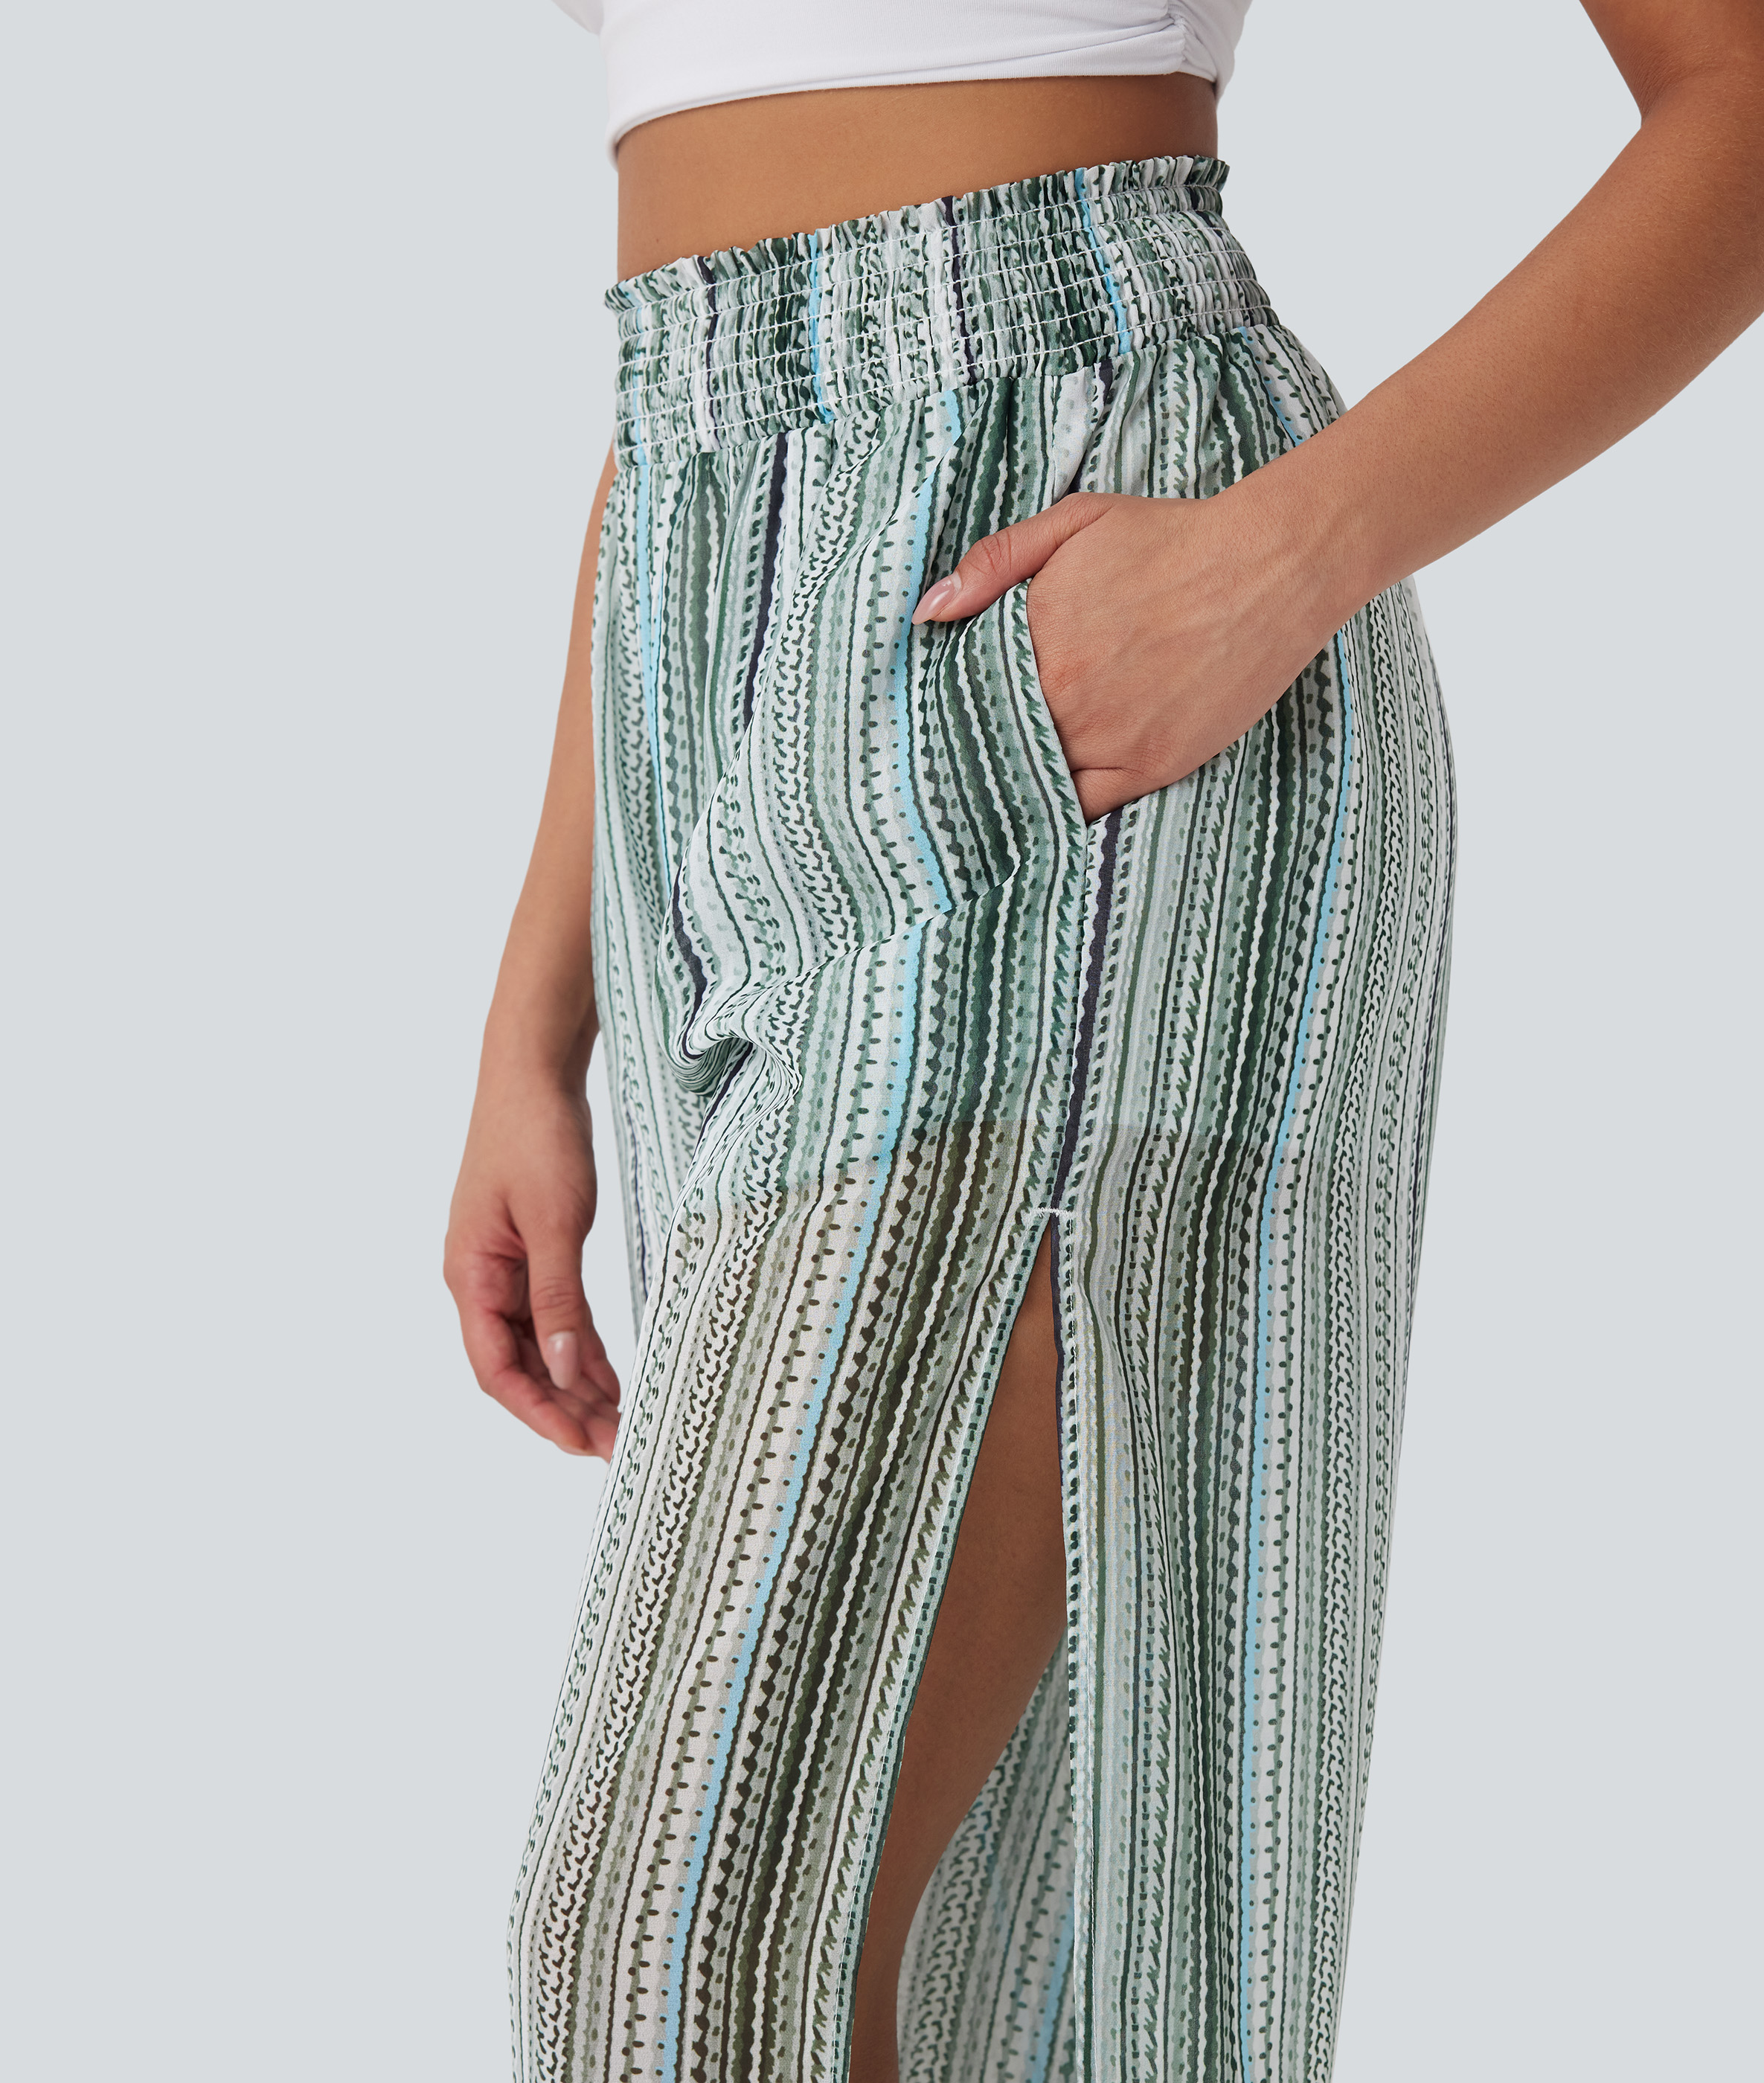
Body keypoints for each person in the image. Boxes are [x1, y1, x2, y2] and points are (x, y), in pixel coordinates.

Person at [443, 5, 1764, 2079]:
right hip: (710, 670)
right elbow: (698, 368)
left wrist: (1287, 553)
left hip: (1073, 621)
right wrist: (542, 1004)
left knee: (672, 1947)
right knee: (941, 1987)